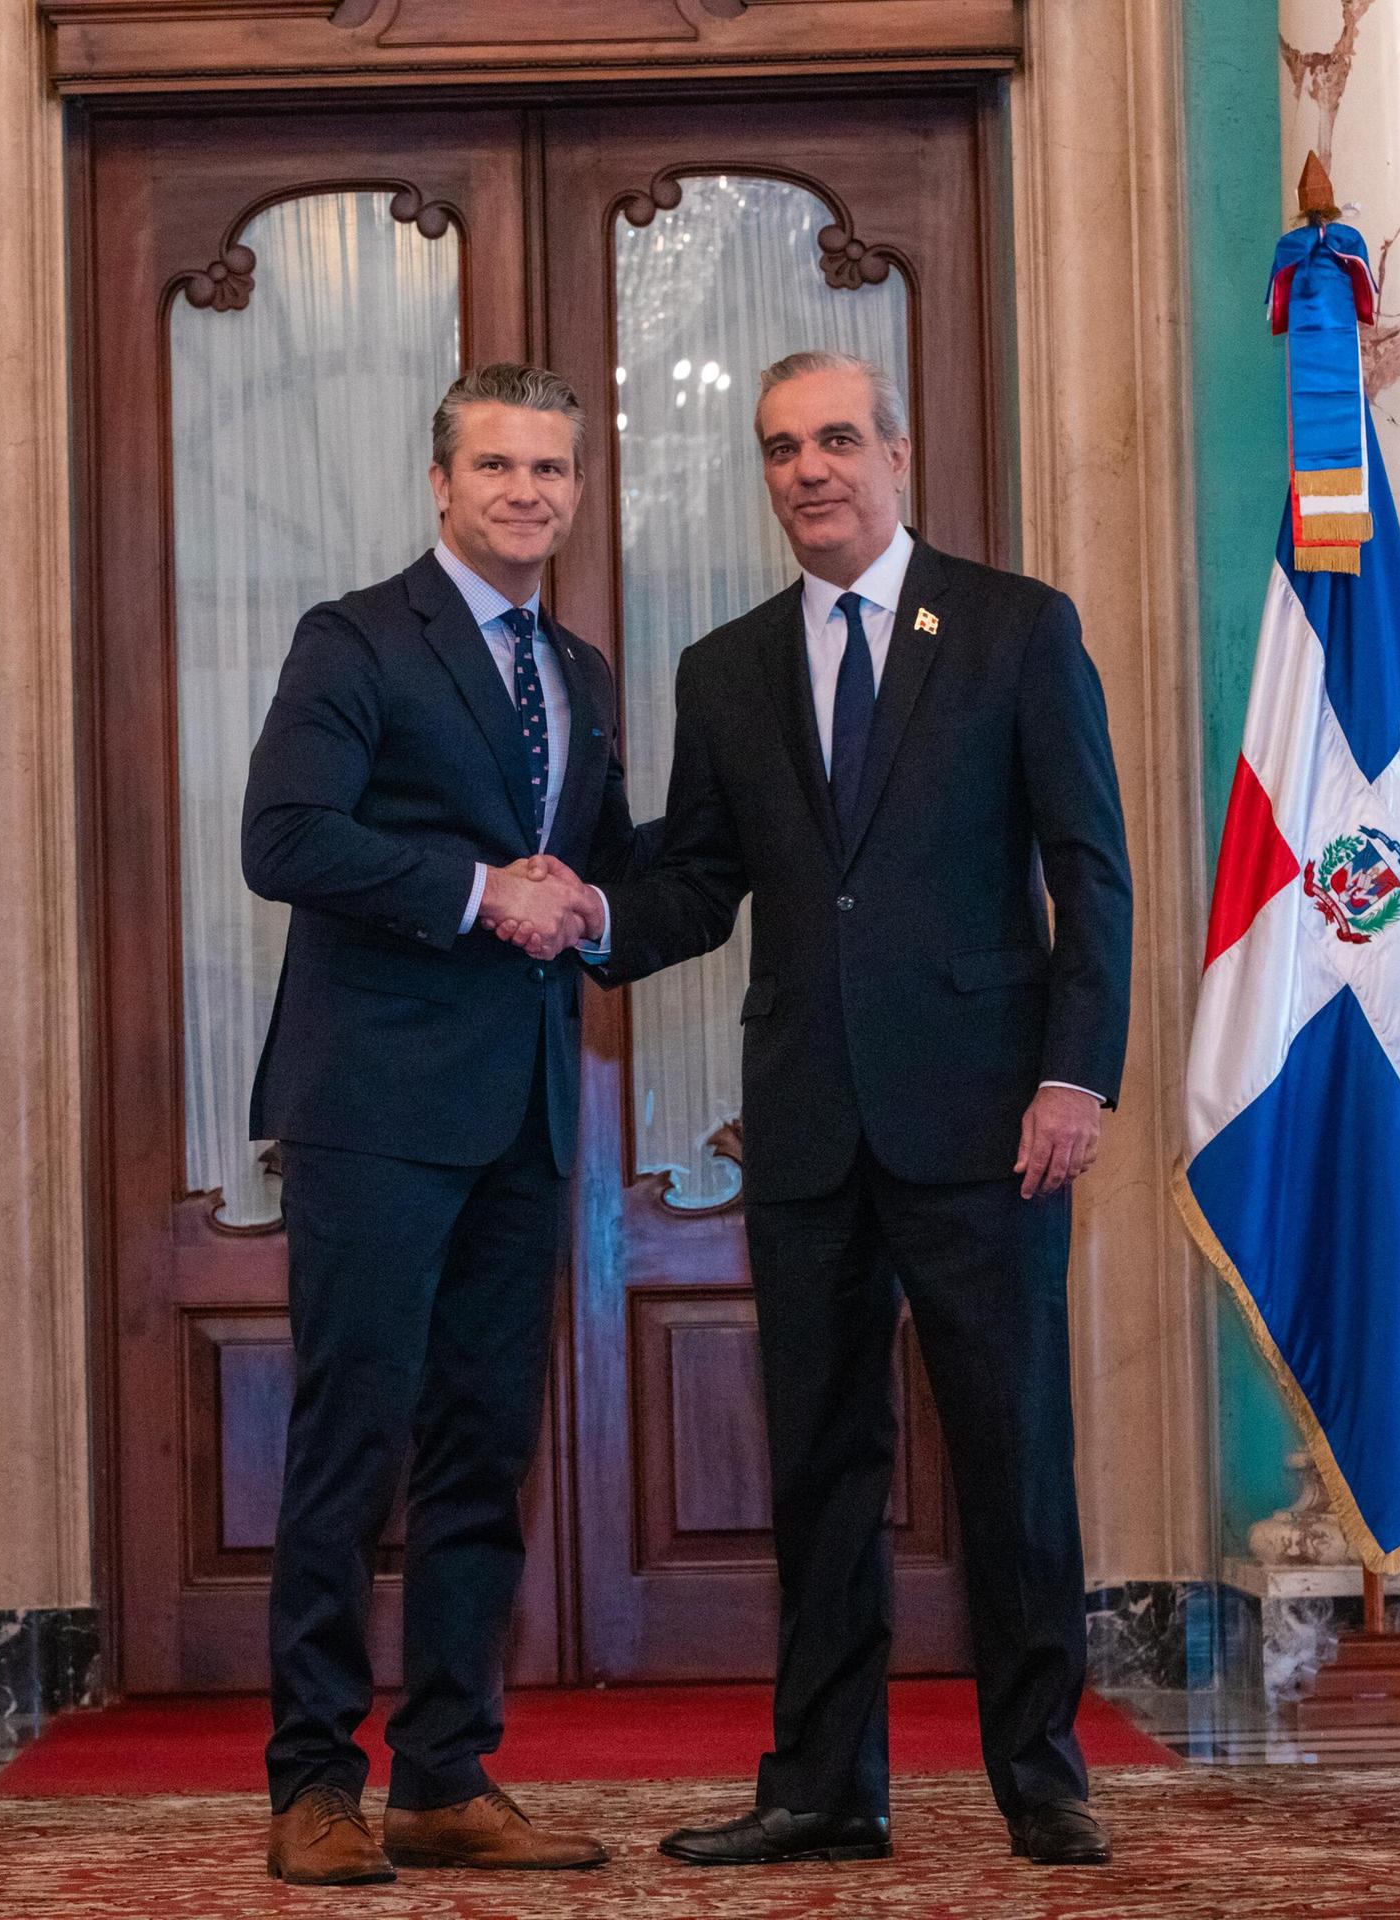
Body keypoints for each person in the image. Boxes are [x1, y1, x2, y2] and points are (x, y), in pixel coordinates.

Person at [501, 349, 1133, 1868]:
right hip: (804, 1128)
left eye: (838, 439)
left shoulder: (1013, 628)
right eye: (782, 449)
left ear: (897, 454)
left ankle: (1041, 1774)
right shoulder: (724, 670)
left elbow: (1088, 868)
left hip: (989, 1122)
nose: (810, 471)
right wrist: (587, 911)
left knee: (1010, 1450)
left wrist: (1074, 1073)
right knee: (821, 1466)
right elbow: (703, 884)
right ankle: (822, 1789)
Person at [242, 363, 648, 1885]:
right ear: (441, 483)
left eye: (552, 468)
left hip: (525, 1115)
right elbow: (282, 836)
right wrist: (484, 893)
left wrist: (609, 900)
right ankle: (312, 1785)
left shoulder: (586, 675)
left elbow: (593, 877)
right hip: (373, 1115)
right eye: (498, 466)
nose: (528, 492)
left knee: (483, 1452)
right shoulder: (356, 638)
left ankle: (445, 1778)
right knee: (352, 1446)